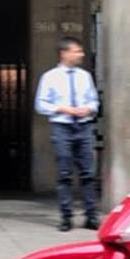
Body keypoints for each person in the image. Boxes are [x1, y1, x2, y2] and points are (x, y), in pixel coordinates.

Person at [35, 37, 99, 231]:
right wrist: (62, 108)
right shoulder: (50, 77)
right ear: (64, 53)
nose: (81, 54)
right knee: (64, 174)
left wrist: (88, 109)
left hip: (84, 126)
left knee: (88, 173)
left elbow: (94, 100)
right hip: (62, 127)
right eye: (77, 51)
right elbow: (41, 104)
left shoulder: (84, 76)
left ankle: (91, 216)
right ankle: (66, 217)